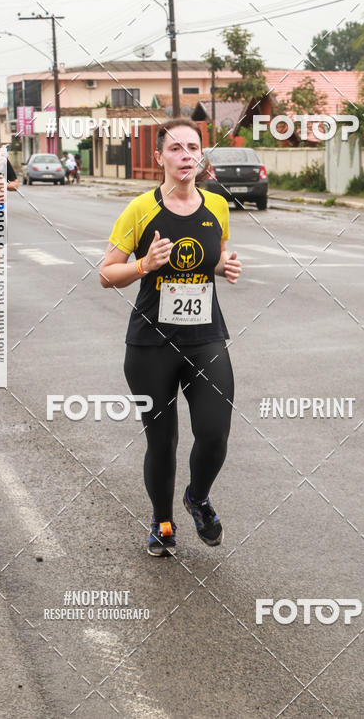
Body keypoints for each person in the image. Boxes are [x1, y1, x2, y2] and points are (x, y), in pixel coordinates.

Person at [99, 118, 242, 557]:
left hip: (205, 338)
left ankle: (197, 498)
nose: (186, 156)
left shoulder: (216, 205)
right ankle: (163, 523)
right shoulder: (140, 209)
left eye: (193, 148)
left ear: (201, 156)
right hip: (151, 346)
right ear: (158, 157)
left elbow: (206, 258)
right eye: (176, 149)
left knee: (215, 433)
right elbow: (107, 274)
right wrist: (144, 265)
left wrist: (223, 268)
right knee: (162, 441)